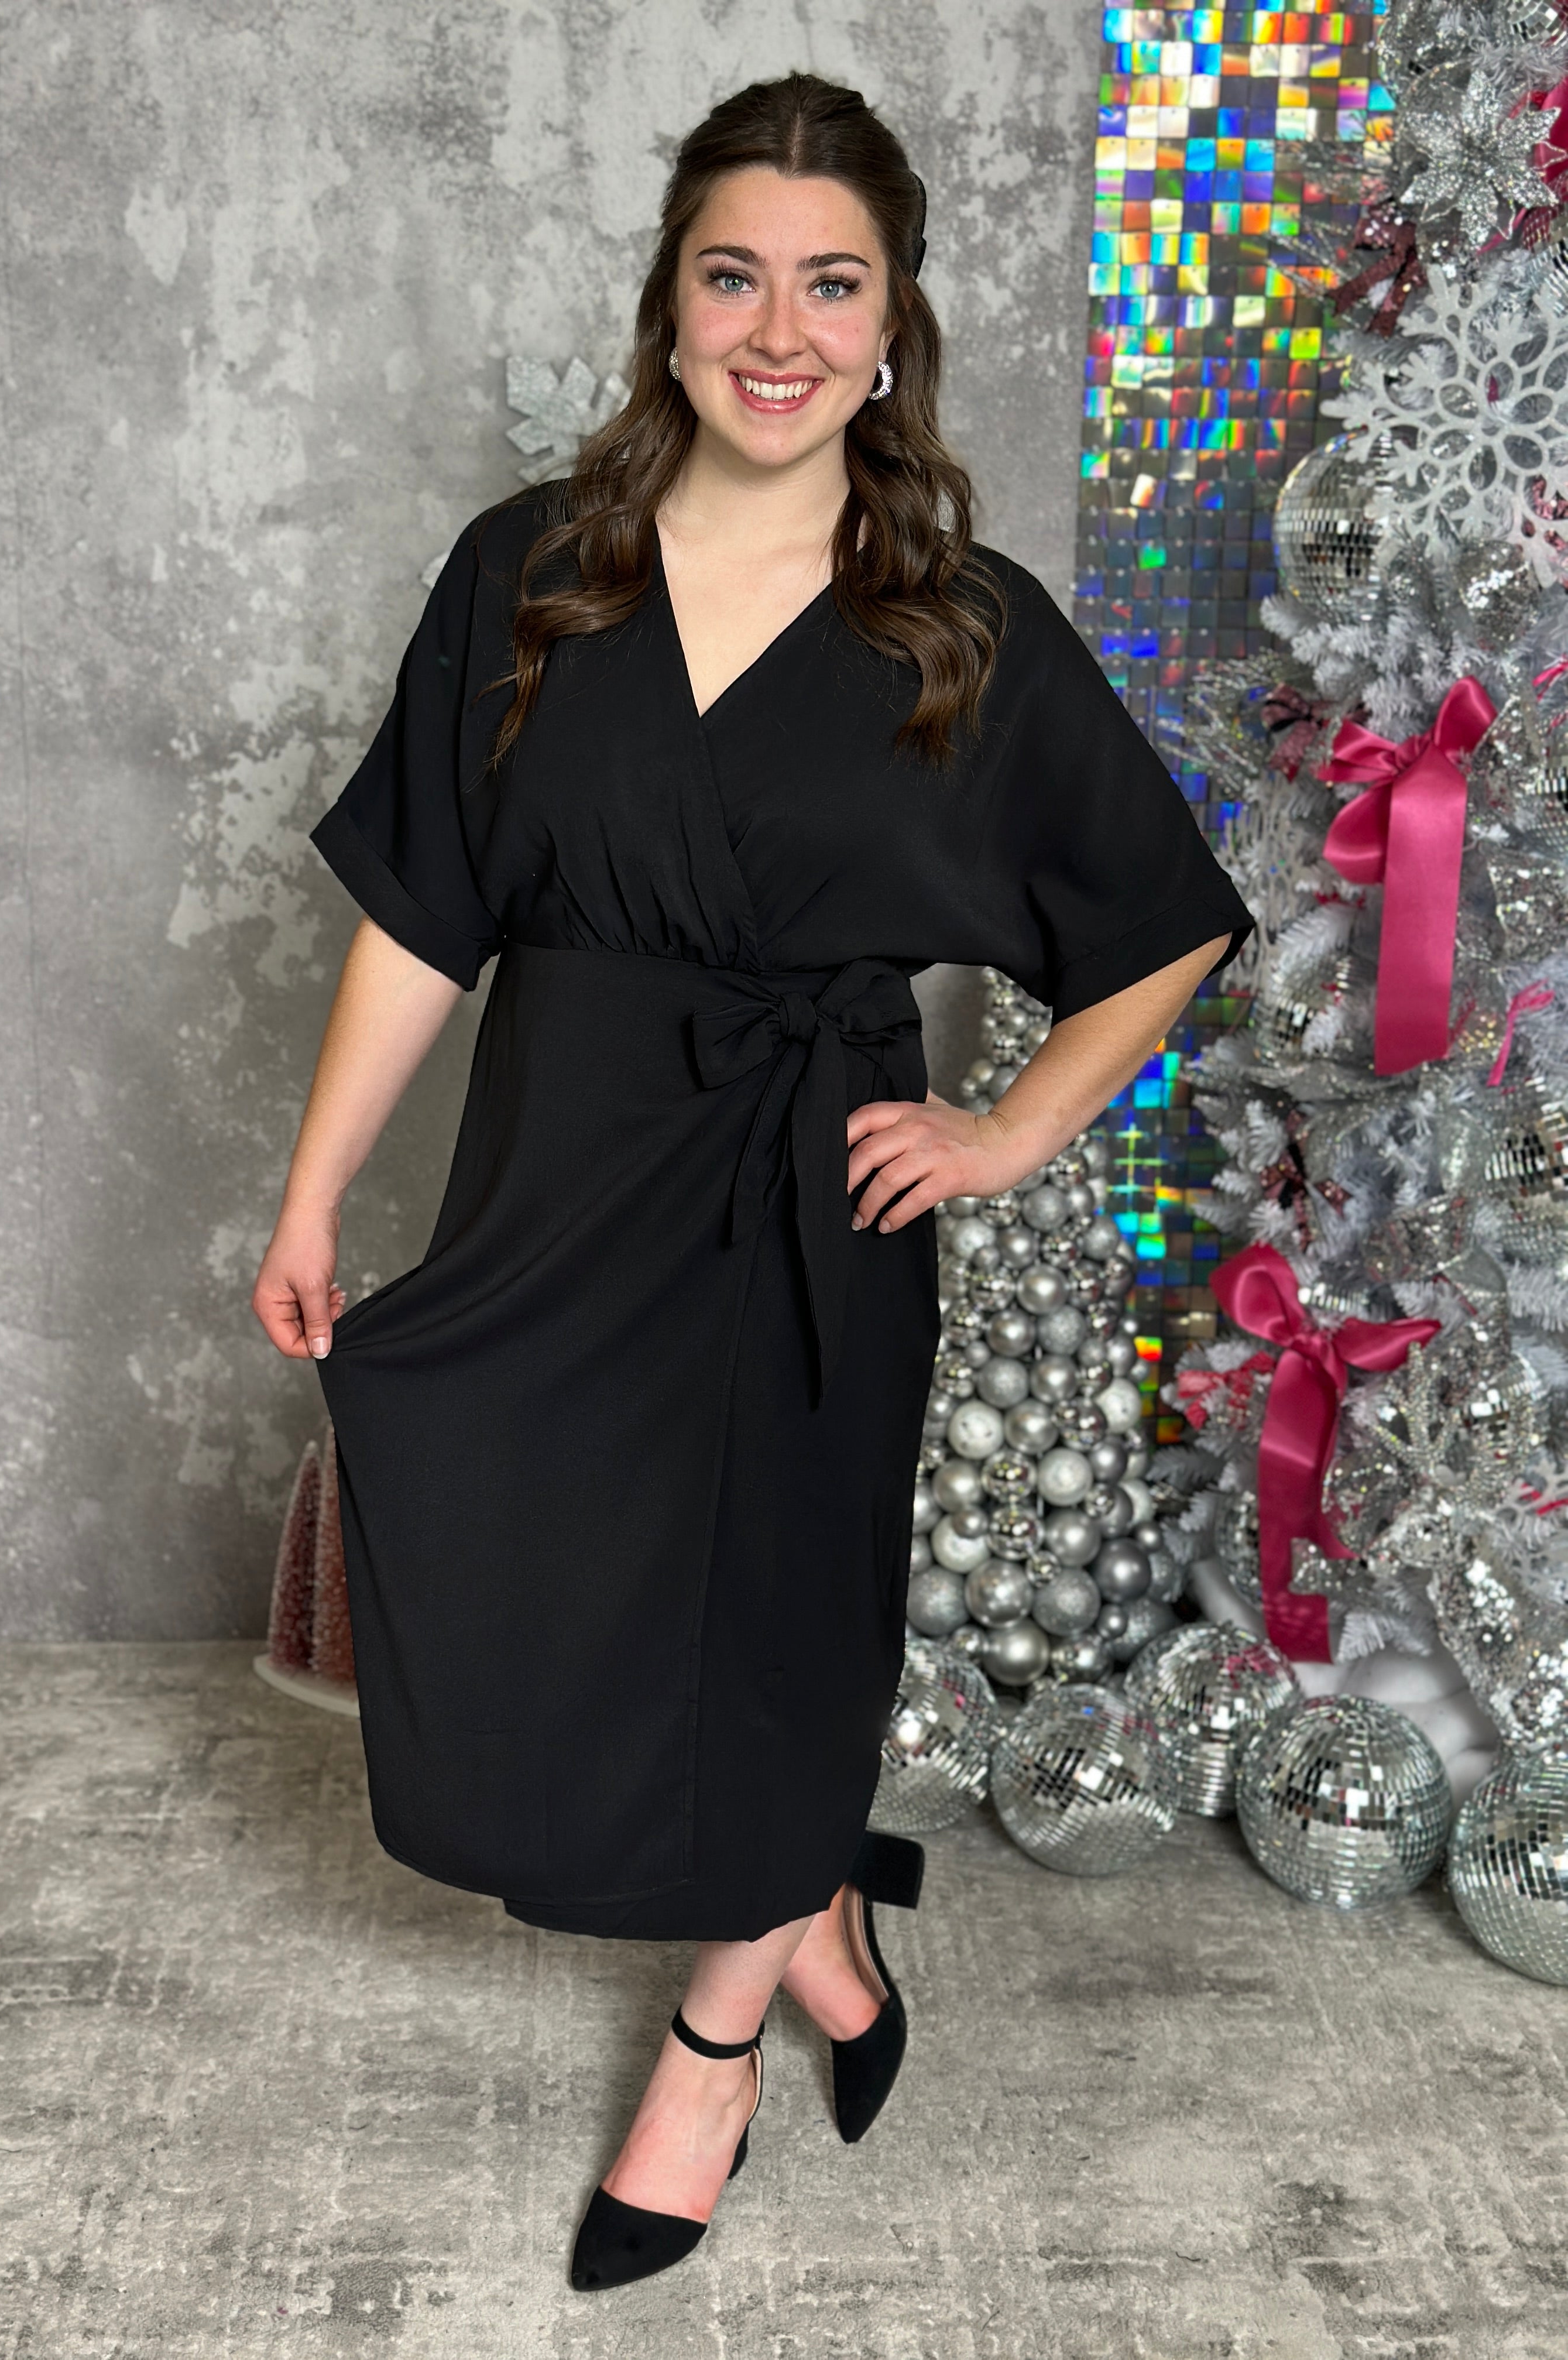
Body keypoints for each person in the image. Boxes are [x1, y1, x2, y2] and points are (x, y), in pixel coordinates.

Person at [253, 71, 1253, 2292]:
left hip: (814, 1200)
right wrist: (317, 1197)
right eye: (735, 277)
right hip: (562, 1166)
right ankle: (810, 1907)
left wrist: (1009, 1128)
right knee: (549, 1577)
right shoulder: (533, 573)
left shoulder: (958, 624)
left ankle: (715, 2048)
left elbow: (1162, 918)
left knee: (775, 1614)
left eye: (832, 285)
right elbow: (424, 908)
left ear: (891, 328)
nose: (779, 332)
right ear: (671, 306)